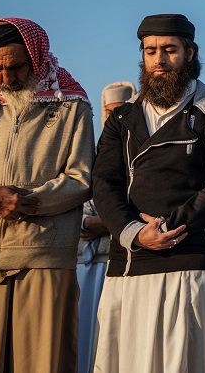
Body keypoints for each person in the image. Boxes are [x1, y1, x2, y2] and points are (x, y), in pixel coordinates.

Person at [92, 14, 205, 373]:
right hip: (129, 264)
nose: (159, 60)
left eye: (169, 50)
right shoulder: (122, 119)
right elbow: (104, 182)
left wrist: (167, 229)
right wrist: (135, 233)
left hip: (188, 261)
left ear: (190, 53)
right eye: (150, 51)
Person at [0, 17, 94, 373]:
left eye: (16, 67)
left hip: (43, 260)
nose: (6, 78)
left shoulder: (71, 105)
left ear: (36, 56)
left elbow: (80, 179)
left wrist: (23, 202)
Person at [76, 81, 136, 373]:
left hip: (119, 261)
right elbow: (74, 194)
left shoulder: (139, 151)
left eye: (121, 111)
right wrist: (87, 222)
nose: (114, 118)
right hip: (84, 263)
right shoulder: (93, 150)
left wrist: (110, 223)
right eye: (109, 112)